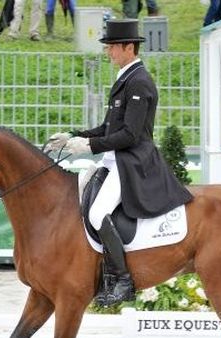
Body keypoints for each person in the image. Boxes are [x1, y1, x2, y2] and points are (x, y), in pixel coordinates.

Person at [48, 19, 193, 306]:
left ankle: (122, 280)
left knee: (98, 212)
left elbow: (129, 135)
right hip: (113, 159)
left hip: (132, 162)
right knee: (82, 202)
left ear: (129, 47)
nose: (108, 52)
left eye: (112, 47)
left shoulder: (139, 81)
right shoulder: (125, 78)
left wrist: (88, 146)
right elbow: (108, 127)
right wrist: (73, 137)